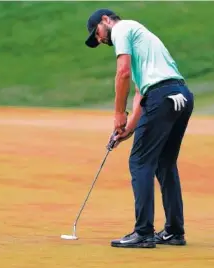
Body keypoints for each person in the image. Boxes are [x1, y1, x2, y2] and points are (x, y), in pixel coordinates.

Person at [85, 8, 194, 248]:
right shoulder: (142, 40)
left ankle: (143, 232)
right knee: (165, 163)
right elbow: (140, 94)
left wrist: (117, 113)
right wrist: (127, 129)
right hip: (181, 96)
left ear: (106, 20)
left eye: (97, 33)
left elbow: (122, 73)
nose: (100, 39)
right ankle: (174, 231)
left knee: (140, 162)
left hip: (162, 96)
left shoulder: (122, 28)